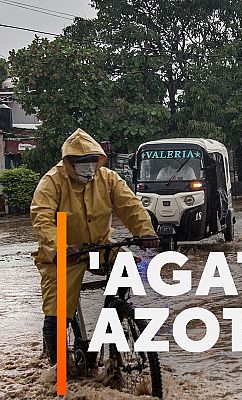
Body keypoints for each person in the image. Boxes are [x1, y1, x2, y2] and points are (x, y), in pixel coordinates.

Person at [30, 128, 160, 365]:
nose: (88, 166)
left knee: (128, 264)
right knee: (57, 312)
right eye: (82, 162)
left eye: (92, 161)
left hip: (100, 247)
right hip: (63, 254)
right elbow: (41, 217)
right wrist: (60, 245)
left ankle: (114, 311)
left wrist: (146, 233)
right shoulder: (52, 182)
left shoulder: (108, 179)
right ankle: (57, 365)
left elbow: (130, 206)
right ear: (69, 162)